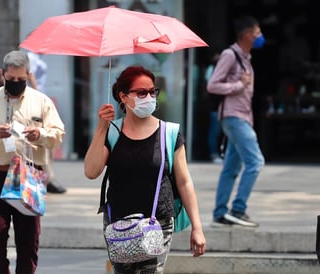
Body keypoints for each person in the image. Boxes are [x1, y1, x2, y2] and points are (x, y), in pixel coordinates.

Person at [84, 65, 206, 273]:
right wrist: (101, 128)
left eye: (152, 91)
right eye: (141, 92)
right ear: (123, 97)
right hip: (119, 223)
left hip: (158, 221)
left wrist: (197, 227)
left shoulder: (169, 133)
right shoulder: (112, 132)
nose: (149, 97)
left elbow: (184, 181)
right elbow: (91, 171)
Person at [0, 50, 65, 273]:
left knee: (29, 238)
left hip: (29, 174)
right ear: (2, 74)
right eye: (11, 79)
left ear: (29, 75)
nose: (16, 83)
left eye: (22, 79)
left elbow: (58, 135)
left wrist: (40, 134)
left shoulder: (41, 101)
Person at [207, 16, 265, 228]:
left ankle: (220, 213)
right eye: (257, 33)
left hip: (242, 117)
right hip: (233, 117)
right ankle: (238, 209)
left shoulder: (246, 58)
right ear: (247, 35)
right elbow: (212, 85)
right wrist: (238, 85)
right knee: (255, 161)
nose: (260, 37)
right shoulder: (230, 55)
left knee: (231, 167)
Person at [26, 50, 67, 194]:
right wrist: (37, 93)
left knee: (47, 139)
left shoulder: (38, 57)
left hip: (41, 100)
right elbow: (29, 74)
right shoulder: (31, 57)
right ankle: (47, 179)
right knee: (39, 141)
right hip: (35, 102)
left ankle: (47, 177)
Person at [204, 50, 223, 164]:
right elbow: (210, 87)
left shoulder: (219, 68)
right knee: (215, 131)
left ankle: (219, 153)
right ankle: (214, 154)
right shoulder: (213, 69)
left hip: (221, 107)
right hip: (215, 106)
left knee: (220, 131)